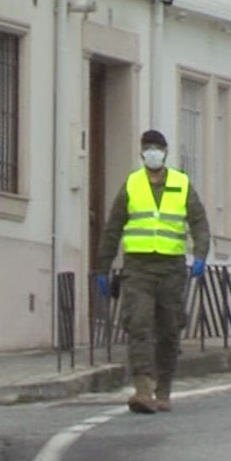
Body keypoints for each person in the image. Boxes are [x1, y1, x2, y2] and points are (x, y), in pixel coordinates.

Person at [95, 129, 211, 414]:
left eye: (157, 148)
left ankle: (164, 390)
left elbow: (199, 222)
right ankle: (143, 390)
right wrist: (103, 266)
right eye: (148, 148)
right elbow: (113, 227)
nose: (152, 153)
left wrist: (200, 254)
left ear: (166, 152)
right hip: (138, 268)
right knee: (139, 324)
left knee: (169, 330)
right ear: (141, 153)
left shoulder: (181, 184)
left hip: (171, 269)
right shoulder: (132, 185)